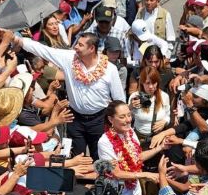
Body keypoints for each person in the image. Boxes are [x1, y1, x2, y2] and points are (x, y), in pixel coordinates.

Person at [10, 29, 125, 160]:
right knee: (75, 157)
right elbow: (44, 50)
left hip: (99, 120)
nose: (75, 47)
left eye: (80, 45)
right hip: (74, 118)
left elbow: (119, 100)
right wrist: (17, 39)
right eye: (77, 43)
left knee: (100, 158)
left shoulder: (110, 69)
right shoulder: (69, 58)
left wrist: (120, 125)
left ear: (92, 48)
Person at [97, 101, 164, 195]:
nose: (128, 120)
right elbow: (116, 173)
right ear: (111, 119)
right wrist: (144, 174)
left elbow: (137, 157)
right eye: (122, 117)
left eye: (129, 115)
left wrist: (160, 148)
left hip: (134, 191)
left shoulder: (131, 133)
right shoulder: (104, 142)